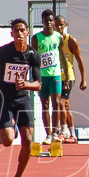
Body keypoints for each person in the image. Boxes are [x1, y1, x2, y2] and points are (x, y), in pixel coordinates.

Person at [0, 18, 42, 177]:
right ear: (12, 34)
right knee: (7, 141)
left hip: (23, 99)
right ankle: (11, 126)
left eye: (23, 30)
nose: (20, 34)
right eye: (16, 31)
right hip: (4, 99)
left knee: (28, 140)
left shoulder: (32, 55)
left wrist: (26, 85)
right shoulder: (3, 52)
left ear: (28, 32)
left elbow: (38, 84)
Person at [30, 9, 63, 143]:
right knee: (45, 104)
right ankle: (48, 134)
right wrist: (34, 78)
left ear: (53, 21)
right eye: (46, 21)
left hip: (56, 75)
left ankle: (56, 132)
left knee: (56, 103)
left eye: (51, 20)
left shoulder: (58, 36)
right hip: (42, 76)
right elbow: (32, 59)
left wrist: (65, 76)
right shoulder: (36, 38)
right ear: (42, 22)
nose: (49, 23)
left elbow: (62, 57)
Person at [54, 14, 87, 143]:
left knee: (61, 103)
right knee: (65, 106)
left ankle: (63, 131)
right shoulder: (53, 40)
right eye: (56, 25)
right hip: (55, 76)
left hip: (68, 77)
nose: (59, 27)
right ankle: (73, 134)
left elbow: (80, 60)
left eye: (61, 25)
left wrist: (84, 79)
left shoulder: (71, 41)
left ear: (65, 25)